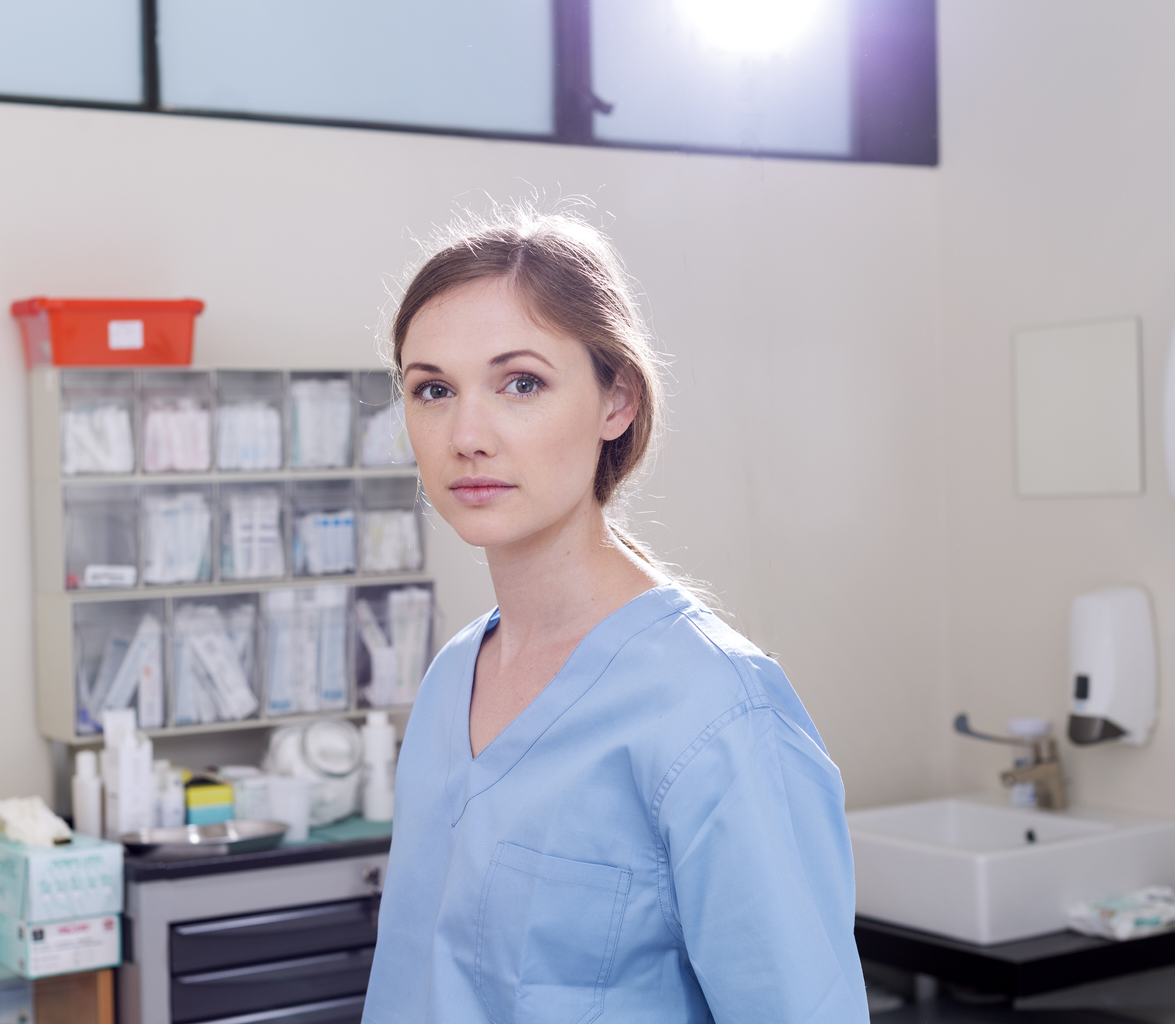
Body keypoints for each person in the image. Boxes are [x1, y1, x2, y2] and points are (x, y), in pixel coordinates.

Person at [363, 207, 868, 1023]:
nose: (466, 434)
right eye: (433, 390)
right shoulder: (453, 679)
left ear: (616, 402)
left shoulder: (716, 712)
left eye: (520, 383)